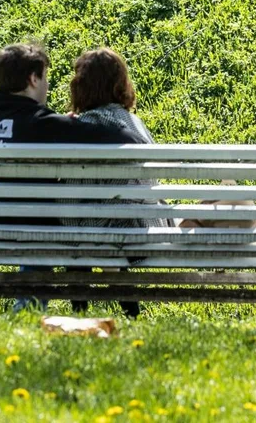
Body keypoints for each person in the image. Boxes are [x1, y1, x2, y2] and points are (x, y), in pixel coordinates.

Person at [0, 43, 141, 313]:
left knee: (42, 219)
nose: (47, 85)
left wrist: (61, 123)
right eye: (45, 77)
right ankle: (27, 310)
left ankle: (31, 310)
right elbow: (121, 136)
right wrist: (70, 125)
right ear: (33, 79)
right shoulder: (39, 123)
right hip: (12, 226)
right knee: (54, 223)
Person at [68, 47, 170, 318]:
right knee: (97, 220)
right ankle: (131, 315)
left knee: (75, 222)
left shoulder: (81, 126)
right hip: (145, 224)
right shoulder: (134, 122)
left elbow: (69, 186)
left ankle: (79, 312)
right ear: (121, 84)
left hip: (100, 228)